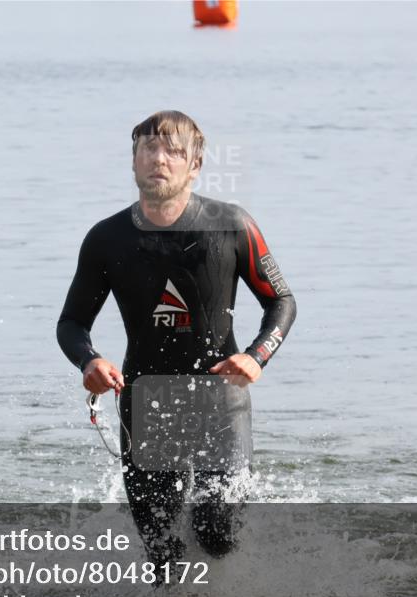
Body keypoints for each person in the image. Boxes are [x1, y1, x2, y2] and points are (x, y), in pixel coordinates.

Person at [56, 110, 296, 573]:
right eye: (148, 148)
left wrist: (256, 355)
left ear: (196, 165)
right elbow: (71, 323)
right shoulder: (106, 239)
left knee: (217, 535)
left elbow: (282, 301)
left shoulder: (231, 225)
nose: (159, 159)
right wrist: (89, 361)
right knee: (163, 555)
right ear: (133, 162)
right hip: (147, 402)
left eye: (173, 150)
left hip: (220, 402)